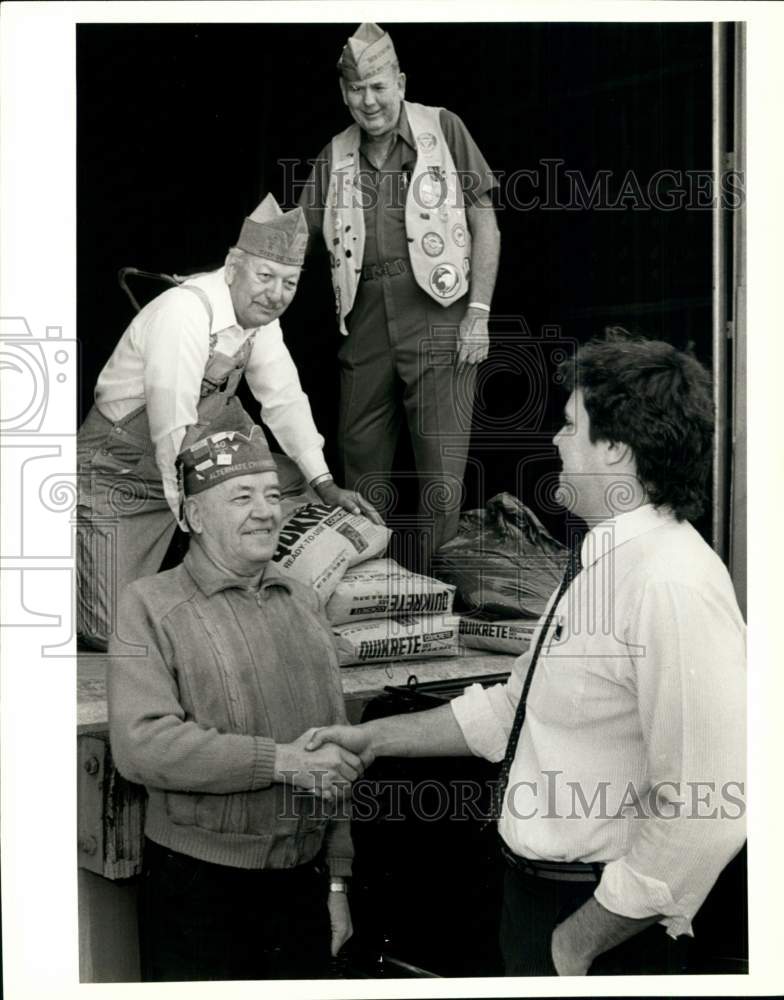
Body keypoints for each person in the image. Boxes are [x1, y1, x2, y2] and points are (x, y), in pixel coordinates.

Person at [307, 333, 747, 976]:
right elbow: (514, 709)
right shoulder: (600, 560)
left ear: (617, 448)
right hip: (537, 902)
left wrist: (577, 944)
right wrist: (370, 738)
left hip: (605, 928)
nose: (555, 442)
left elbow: (708, 811)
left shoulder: (670, 582)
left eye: (572, 426)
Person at [107, 422, 363, 981]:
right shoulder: (148, 605)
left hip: (303, 883)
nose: (266, 511)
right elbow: (141, 745)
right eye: (242, 497)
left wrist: (337, 882)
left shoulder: (302, 598)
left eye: (273, 496)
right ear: (194, 517)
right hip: (199, 889)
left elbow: (335, 750)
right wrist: (284, 762)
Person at [77, 193, 380, 650]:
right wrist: (195, 514)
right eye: (265, 276)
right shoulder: (186, 311)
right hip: (124, 468)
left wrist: (324, 483)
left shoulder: (261, 320)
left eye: (289, 282)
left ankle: (242, 593)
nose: (275, 294)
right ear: (233, 266)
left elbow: (284, 399)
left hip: (189, 456)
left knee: (290, 476)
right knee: (111, 633)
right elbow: (171, 424)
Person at [298, 22, 501, 566]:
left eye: (379, 86)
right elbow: (295, 238)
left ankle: (439, 594)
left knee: (441, 467)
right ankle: (368, 586)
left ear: (401, 82)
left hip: (438, 311)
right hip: (364, 316)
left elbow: (487, 221)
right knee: (359, 455)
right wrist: (231, 273)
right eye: (357, 90)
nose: (370, 101)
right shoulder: (334, 154)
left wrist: (477, 313)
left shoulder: (444, 128)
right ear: (344, 94)